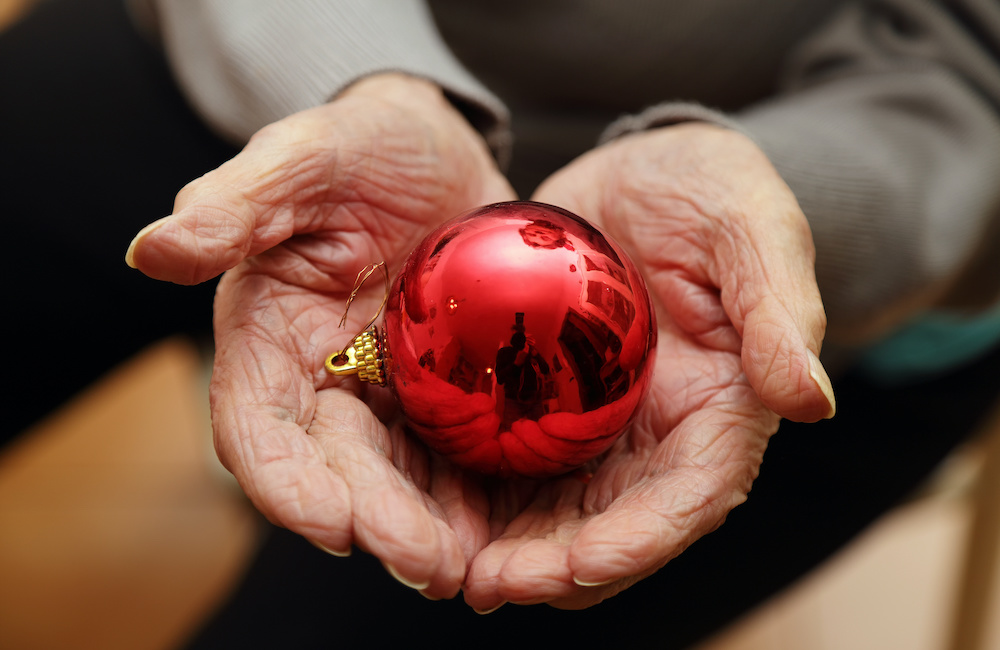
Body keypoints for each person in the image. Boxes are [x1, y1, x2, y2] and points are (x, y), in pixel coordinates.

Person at [6, 0, 997, 646]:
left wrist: (779, 200)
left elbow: (976, 69)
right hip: (295, 46)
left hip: (816, 230)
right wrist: (371, 79)